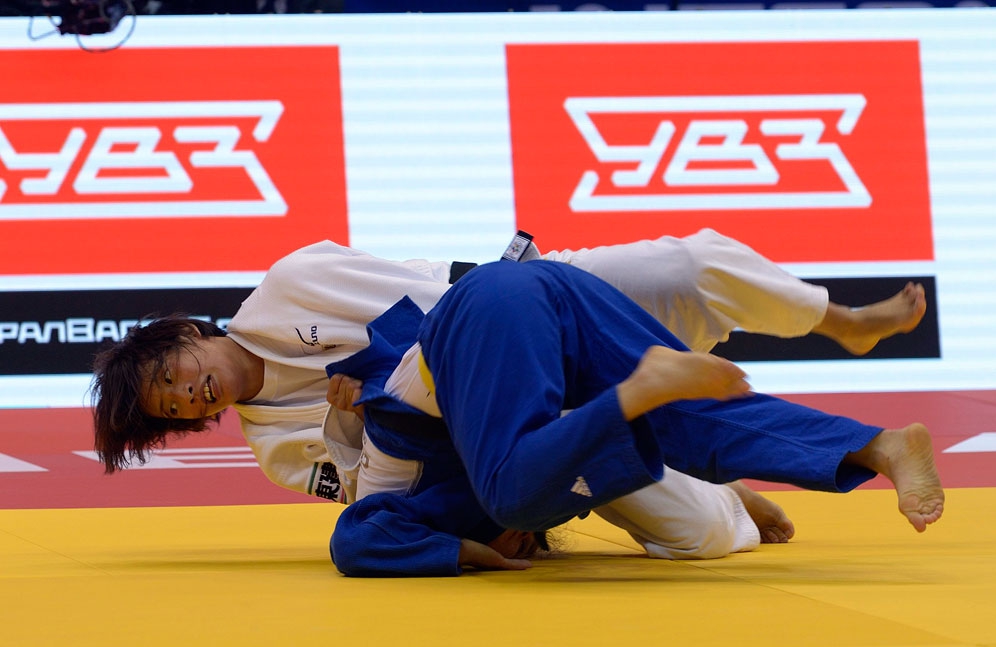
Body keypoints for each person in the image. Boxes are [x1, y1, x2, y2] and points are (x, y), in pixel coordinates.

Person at [90, 229, 926, 559]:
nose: (189, 394)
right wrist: (349, 428)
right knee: (699, 535)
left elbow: (436, 285)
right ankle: (726, 485)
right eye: (176, 409)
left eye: (171, 374)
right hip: (506, 439)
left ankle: (840, 318)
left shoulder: (294, 281)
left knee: (684, 266)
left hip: (504, 324)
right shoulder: (278, 450)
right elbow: (389, 496)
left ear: (185, 333)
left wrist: (515, 285)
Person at [325, 260, 944, 577]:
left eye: (524, 548)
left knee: (512, 495)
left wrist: (474, 554)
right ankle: (878, 446)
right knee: (696, 420)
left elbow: (353, 540)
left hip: (486, 316)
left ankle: (637, 393)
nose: (521, 547)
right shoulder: (507, 448)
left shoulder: (400, 501)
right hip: (551, 294)